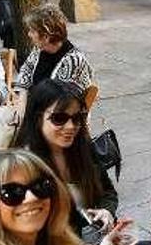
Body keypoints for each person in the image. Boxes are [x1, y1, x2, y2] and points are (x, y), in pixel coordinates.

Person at [11, 79, 117, 235]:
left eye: (77, 118)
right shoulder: (24, 165)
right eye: (59, 118)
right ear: (37, 118)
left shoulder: (82, 148)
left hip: (95, 238)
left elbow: (108, 192)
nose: (71, 127)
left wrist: (107, 211)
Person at [15, 3, 96, 93]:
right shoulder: (39, 50)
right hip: (35, 103)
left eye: (32, 31)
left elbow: (58, 100)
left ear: (46, 37)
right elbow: (25, 73)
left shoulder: (73, 61)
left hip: (53, 105)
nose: (29, 34)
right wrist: (21, 102)